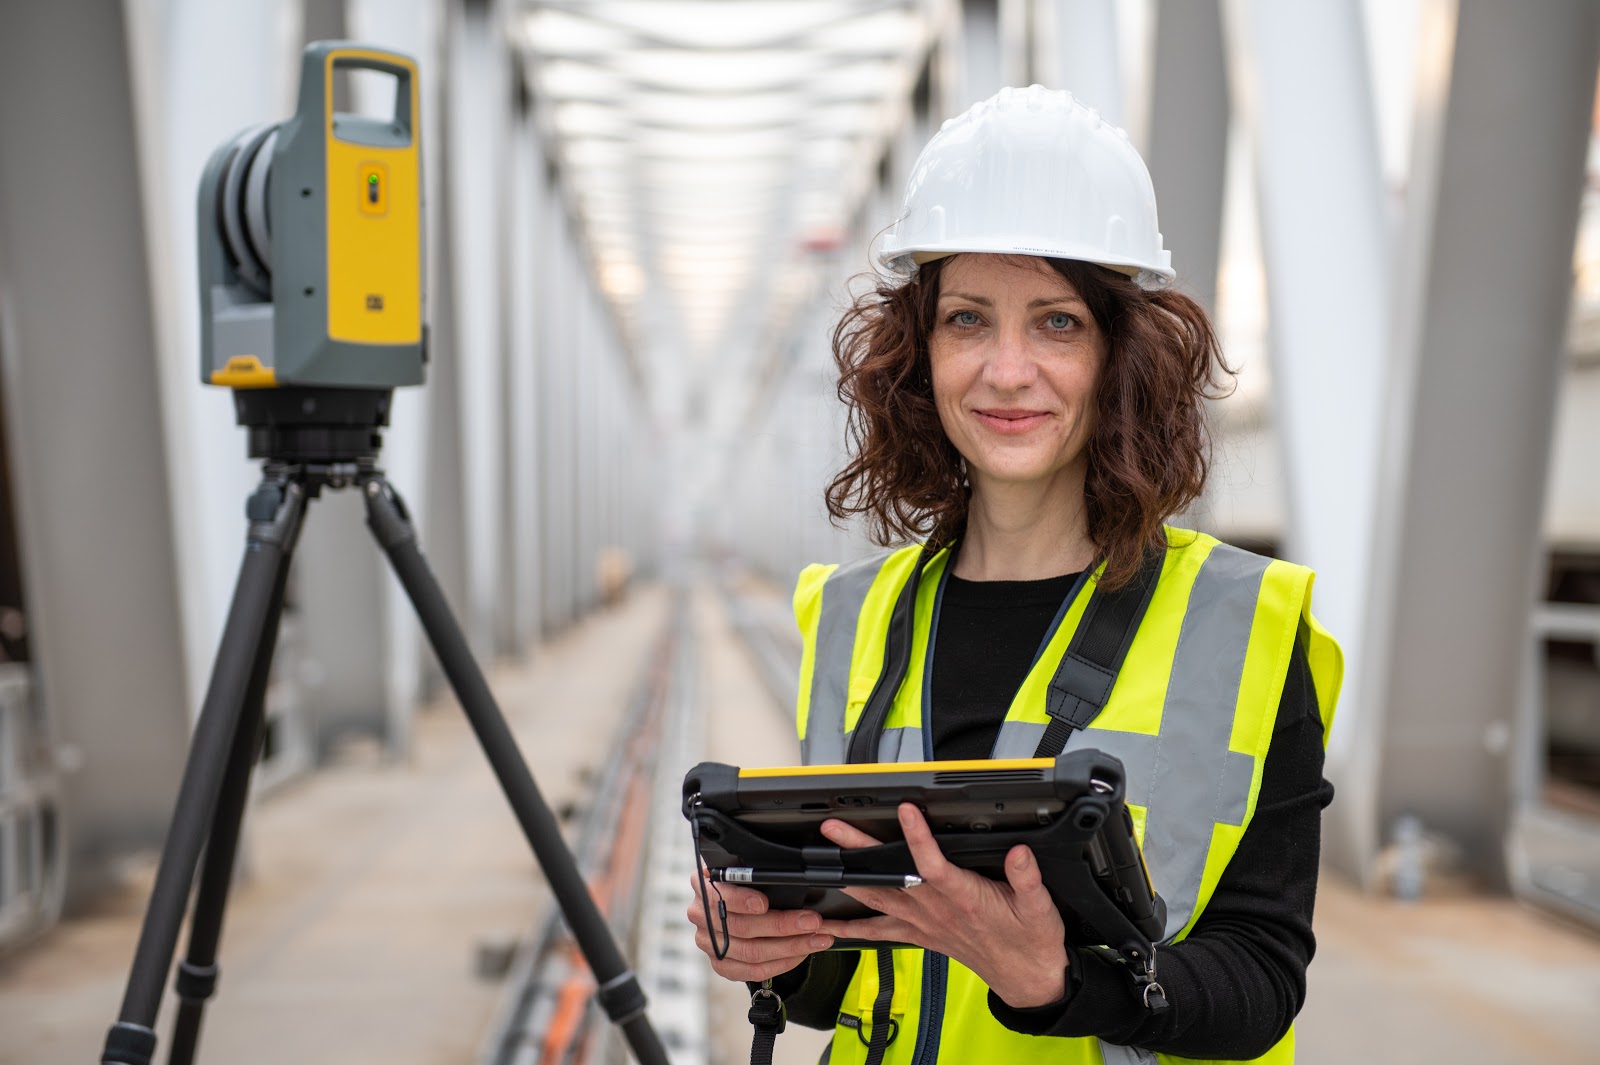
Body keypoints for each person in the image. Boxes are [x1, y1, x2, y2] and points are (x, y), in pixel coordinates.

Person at [688, 85, 1342, 1065]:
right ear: (920, 349)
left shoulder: (1239, 625)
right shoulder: (851, 616)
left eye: (1056, 323)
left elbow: (1260, 979)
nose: (1003, 370)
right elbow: (856, 972)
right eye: (966, 320)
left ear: (1123, 352)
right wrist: (777, 952)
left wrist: (1064, 986)